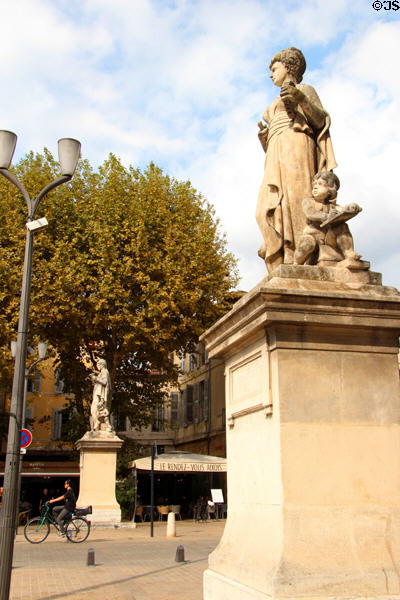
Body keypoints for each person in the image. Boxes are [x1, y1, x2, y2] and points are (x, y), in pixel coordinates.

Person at [256, 47, 337, 273]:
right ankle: (282, 256)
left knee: (295, 199)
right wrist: (266, 137)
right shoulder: (273, 104)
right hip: (276, 153)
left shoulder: (303, 89)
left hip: (297, 146)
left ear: (289, 67)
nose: (271, 74)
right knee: (267, 208)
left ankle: (304, 257)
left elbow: (321, 120)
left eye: (274, 69)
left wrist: (300, 98)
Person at [294, 171, 361, 266]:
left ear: (330, 189)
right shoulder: (308, 201)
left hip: (329, 237)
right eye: (315, 184)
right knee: (307, 243)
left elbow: (343, 210)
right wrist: (325, 216)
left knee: (342, 226)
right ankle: (296, 263)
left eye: (320, 184)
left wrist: (351, 207)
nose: (316, 187)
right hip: (314, 235)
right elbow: (311, 213)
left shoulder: (332, 206)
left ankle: (349, 253)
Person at [89, 359, 112, 432]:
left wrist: (95, 378)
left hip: (100, 395)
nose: (97, 367)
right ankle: (98, 423)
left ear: (101, 365)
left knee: (95, 409)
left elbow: (104, 382)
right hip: (98, 394)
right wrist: (94, 379)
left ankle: (98, 423)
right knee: (95, 410)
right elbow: (99, 383)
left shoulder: (105, 372)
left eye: (98, 365)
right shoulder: (102, 373)